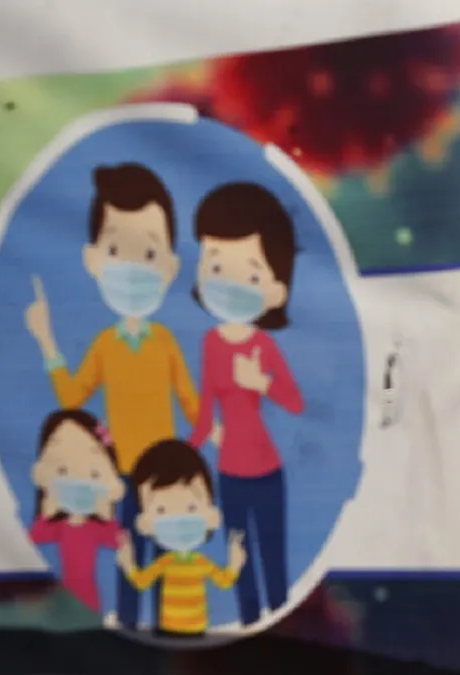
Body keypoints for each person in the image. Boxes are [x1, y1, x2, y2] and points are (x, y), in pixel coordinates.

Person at [24, 163, 202, 629]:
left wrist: (202, 446)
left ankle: (167, 629)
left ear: (170, 266)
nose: (132, 268)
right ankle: (128, 630)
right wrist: (46, 341)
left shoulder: (165, 341)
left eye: (148, 253)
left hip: (163, 478)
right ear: (93, 260)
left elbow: (190, 400)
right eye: (117, 251)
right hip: (121, 473)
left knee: (166, 562)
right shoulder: (105, 345)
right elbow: (71, 398)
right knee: (128, 563)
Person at [187, 182, 304, 626]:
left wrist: (262, 383)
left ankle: (284, 625)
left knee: (272, 554)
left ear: (275, 291)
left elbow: (293, 401)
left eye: (250, 276)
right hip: (230, 472)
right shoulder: (210, 344)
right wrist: (186, 453)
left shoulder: (264, 346)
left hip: (267, 470)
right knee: (239, 558)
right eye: (216, 267)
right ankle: (252, 624)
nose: (230, 284)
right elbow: (204, 407)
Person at [117, 439, 246, 637]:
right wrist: (128, 562)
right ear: (145, 522)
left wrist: (235, 563)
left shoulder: (200, 562)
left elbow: (224, 580)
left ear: (211, 513)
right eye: (161, 510)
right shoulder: (166, 562)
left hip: (198, 629)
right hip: (169, 629)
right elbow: (142, 581)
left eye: (191, 507)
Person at [27, 409, 126, 613]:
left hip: (89, 592)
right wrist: (48, 508)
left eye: (94, 474)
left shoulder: (96, 527)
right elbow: (35, 536)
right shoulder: (60, 526)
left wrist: (106, 508)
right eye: (62, 471)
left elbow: (119, 539)